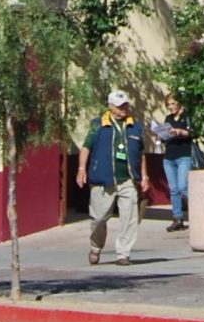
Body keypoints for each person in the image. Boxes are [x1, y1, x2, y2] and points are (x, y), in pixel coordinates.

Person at [82, 89, 146, 266]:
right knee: (99, 218)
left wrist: (145, 175)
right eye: (119, 106)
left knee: (129, 217)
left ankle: (123, 253)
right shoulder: (98, 125)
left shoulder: (135, 126)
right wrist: (81, 168)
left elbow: (141, 153)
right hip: (103, 179)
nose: (123, 109)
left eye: (125, 105)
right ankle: (96, 246)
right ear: (110, 106)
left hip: (128, 179)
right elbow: (86, 147)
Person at [151, 93, 195, 233]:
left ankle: (198, 213)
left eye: (173, 104)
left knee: (183, 186)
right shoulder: (169, 118)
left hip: (184, 155)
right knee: (174, 189)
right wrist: (158, 137)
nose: (171, 107)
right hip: (169, 156)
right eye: (168, 104)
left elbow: (193, 133)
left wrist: (180, 132)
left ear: (179, 104)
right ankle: (177, 218)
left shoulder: (187, 116)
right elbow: (165, 137)